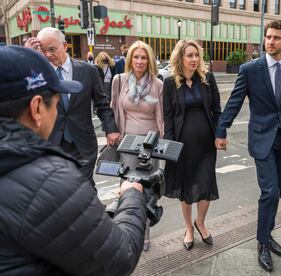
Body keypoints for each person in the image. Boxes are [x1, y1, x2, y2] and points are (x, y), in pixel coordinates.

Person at [0, 45, 147, 275]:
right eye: (56, 103)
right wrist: (132, 196)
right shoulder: (48, 181)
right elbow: (119, 258)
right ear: (37, 108)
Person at [215, 20, 281, 272]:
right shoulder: (250, 69)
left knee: (277, 192)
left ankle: (268, 232)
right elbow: (234, 102)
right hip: (261, 139)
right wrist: (221, 130)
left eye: (276, 38)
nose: (270, 42)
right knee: (269, 191)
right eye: (268, 37)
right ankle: (262, 242)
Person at [24, 27, 121, 186]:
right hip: (53, 144)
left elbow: (102, 104)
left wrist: (110, 129)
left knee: (84, 186)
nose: (48, 54)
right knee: (61, 190)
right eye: (43, 50)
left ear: (65, 46)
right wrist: (27, 57)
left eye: (52, 49)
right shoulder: (39, 75)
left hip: (82, 144)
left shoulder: (89, 71)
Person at [163, 40, 221, 251]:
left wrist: (220, 134)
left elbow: (217, 111)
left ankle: (201, 223)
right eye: (190, 55)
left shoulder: (208, 79)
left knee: (205, 186)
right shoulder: (170, 83)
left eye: (196, 55)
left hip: (206, 143)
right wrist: (169, 146)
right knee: (186, 189)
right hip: (182, 145)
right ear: (180, 58)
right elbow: (167, 118)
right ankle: (189, 228)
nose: (195, 59)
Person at [111, 40, 164, 251]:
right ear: (129, 59)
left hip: (150, 144)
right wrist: (112, 134)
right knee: (126, 189)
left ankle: (145, 233)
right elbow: (113, 108)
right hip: (127, 143)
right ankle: (124, 231)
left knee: (148, 190)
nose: (140, 61)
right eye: (136, 57)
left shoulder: (158, 84)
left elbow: (162, 118)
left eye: (143, 57)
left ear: (149, 60)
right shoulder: (119, 80)